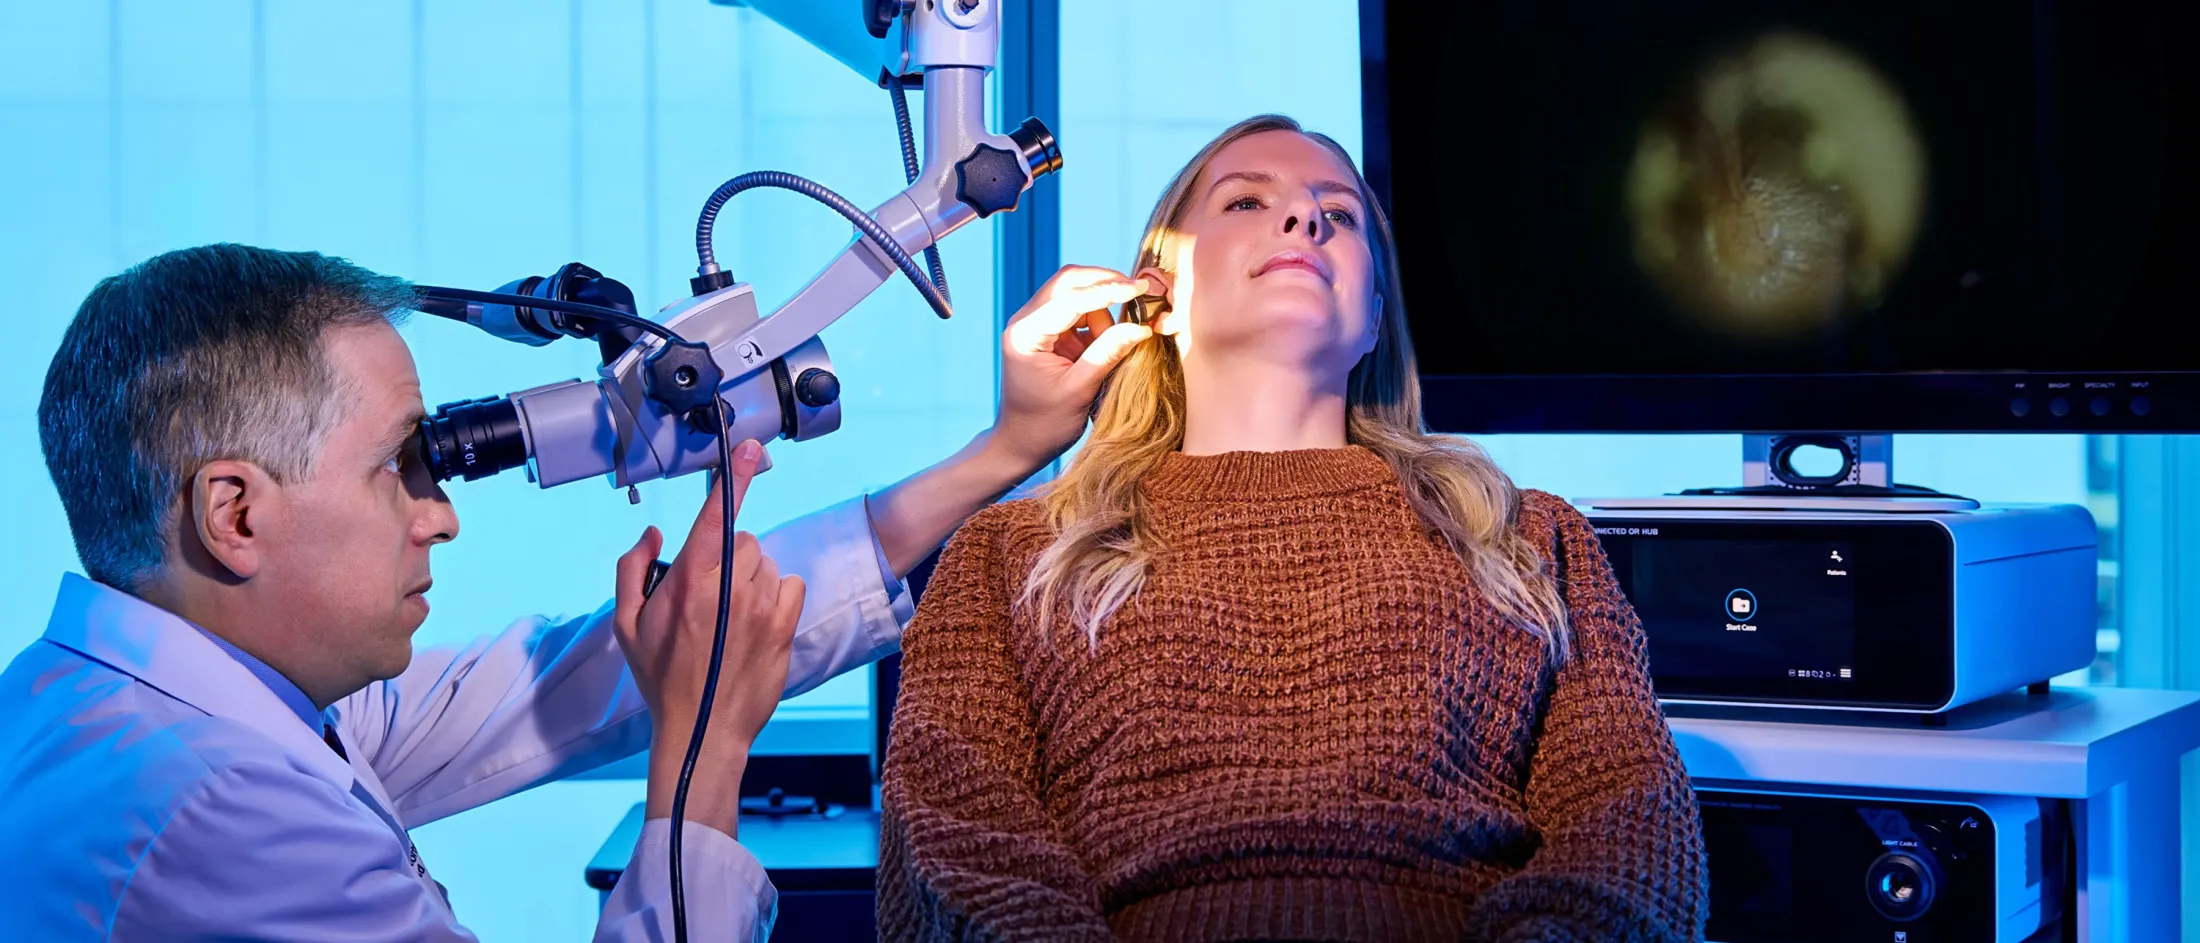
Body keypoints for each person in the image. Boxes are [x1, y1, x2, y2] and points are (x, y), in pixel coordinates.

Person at [0, 243, 1153, 941]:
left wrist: (1000, 453)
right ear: (235, 514)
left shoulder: (141, 705)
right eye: (401, 465)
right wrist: (705, 754)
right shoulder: (218, 813)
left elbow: (574, 684)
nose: (440, 510)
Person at [877, 115, 1709, 942]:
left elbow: (1628, 812)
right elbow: (955, 831)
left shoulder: (1526, 537)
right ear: (1153, 296)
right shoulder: (1011, 555)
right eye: (1246, 201)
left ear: (1377, 317)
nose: (1304, 219)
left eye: (1338, 215)